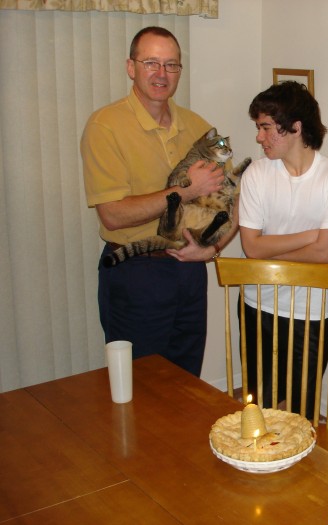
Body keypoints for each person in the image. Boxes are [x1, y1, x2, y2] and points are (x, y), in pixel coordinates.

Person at [81, 26, 231, 376]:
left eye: (171, 65)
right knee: (142, 387)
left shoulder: (199, 127)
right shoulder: (105, 126)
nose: (161, 74)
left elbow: (229, 205)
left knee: (187, 382)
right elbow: (114, 215)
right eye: (151, 63)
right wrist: (186, 191)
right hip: (136, 273)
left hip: (190, 271)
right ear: (130, 67)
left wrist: (213, 249)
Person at [238, 81, 328, 415]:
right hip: (256, 304)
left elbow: (325, 254)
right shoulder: (257, 174)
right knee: (258, 405)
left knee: (300, 409)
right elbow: (251, 247)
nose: (259, 137)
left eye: (265, 128)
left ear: (295, 127)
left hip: (310, 310)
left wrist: (270, 253)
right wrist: (311, 235)